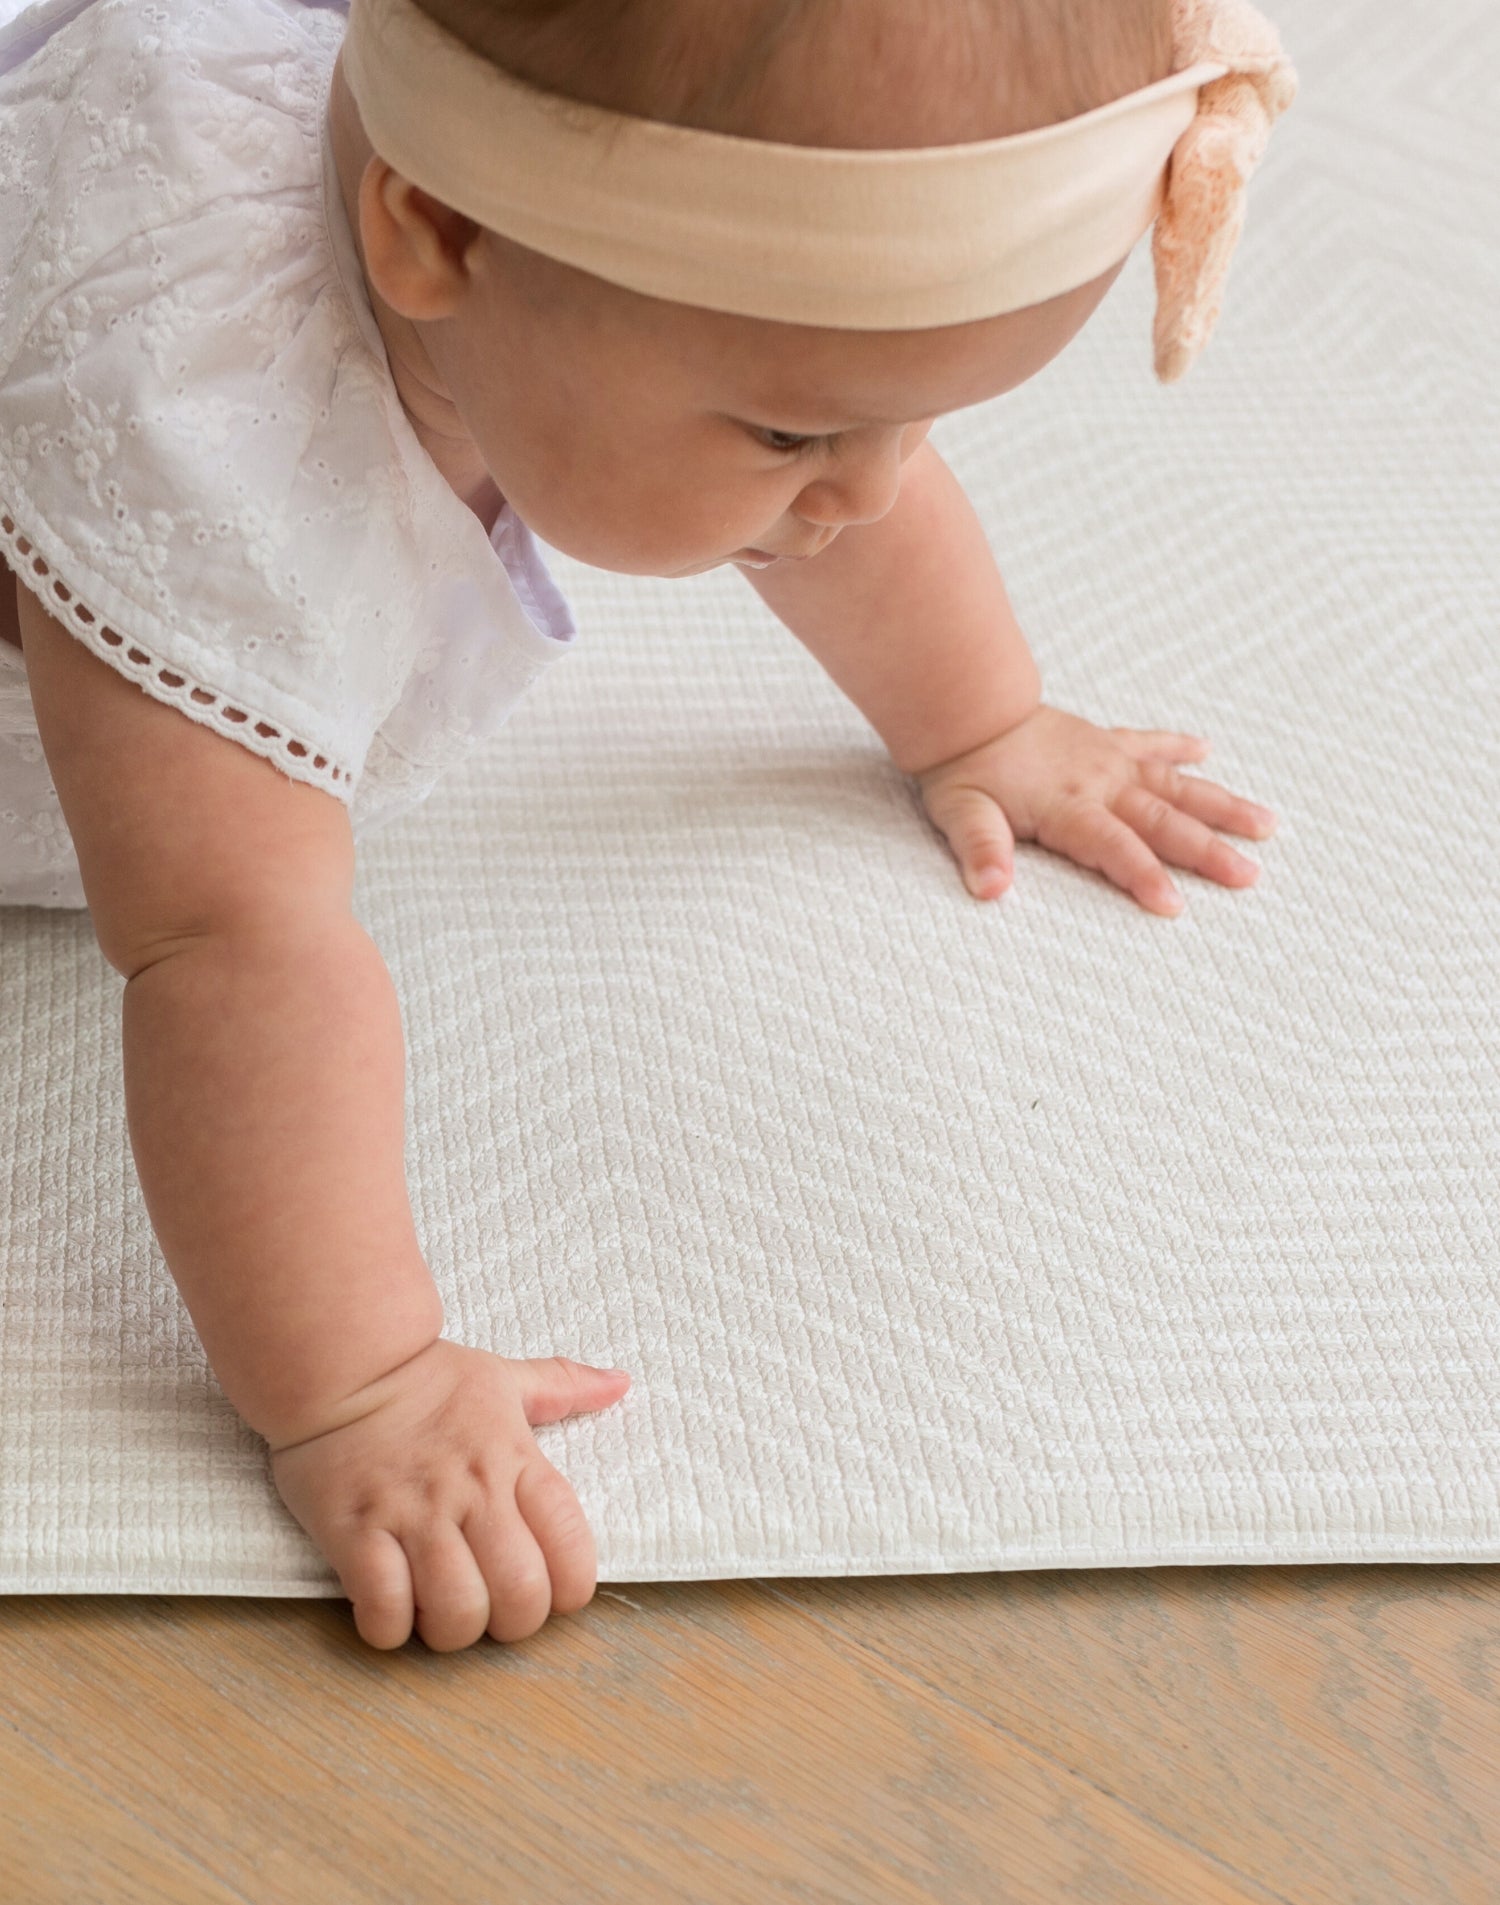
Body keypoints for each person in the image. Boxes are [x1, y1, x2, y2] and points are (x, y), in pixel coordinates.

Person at [0, 0, 1293, 1651]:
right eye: (790, 432)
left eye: (914, 420)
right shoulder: (206, 440)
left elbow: (842, 500)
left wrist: (983, 718)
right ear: (436, 233)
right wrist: (361, 1383)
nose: (868, 491)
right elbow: (228, 945)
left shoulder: (492, 181)